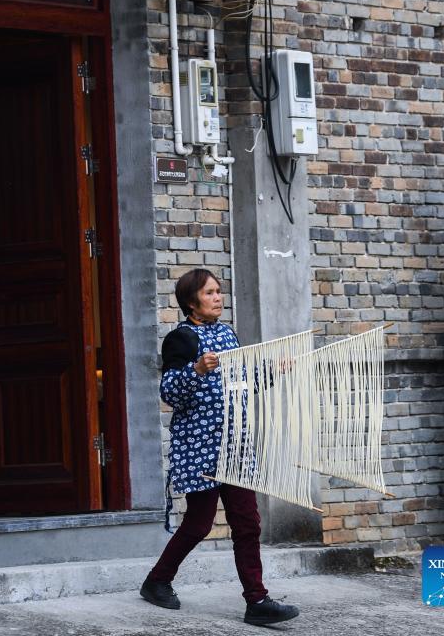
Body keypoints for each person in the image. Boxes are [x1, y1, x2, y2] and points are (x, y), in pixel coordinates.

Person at [140, 268, 299, 627]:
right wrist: (196, 369)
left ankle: (257, 600)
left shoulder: (228, 334)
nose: (218, 297)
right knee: (198, 524)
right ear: (191, 303)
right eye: (210, 293)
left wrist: (273, 371)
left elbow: (244, 383)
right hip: (201, 448)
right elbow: (170, 394)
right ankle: (157, 581)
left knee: (248, 523)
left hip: (236, 447)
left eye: (218, 291)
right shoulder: (180, 340)